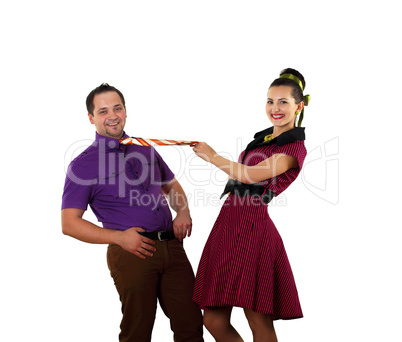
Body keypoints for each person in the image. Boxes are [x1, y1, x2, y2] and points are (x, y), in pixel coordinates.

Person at [61, 83, 204, 342]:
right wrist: (119, 238)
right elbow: (69, 223)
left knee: (191, 325)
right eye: (103, 111)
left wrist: (183, 212)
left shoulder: (145, 147)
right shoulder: (82, 165)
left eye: (117, 108)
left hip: (172, 247)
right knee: (138, 331)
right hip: (131, 251)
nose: (112, 115)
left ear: (125, 111)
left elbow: (171, 186)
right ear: (91, 118)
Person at [191, 68, 309, 342]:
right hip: (228, 223)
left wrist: (212, 156)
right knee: (212, 318)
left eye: (283, 102)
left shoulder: (294, 149)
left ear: (299, 106)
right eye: (270, 101)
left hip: (253, 229)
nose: (275, 108)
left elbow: (250, 175)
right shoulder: (265, 139)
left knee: (257, 318)